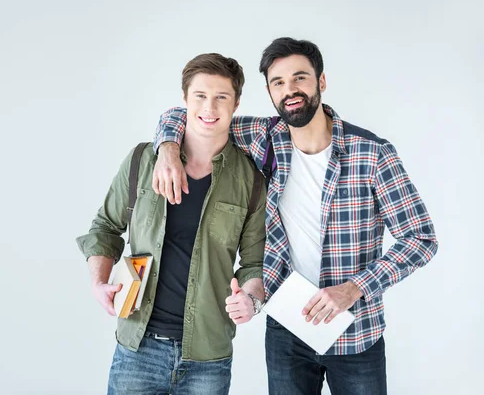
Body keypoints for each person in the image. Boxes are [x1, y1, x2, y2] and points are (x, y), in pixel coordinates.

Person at [151, 37, 439, 395]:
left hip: (356, 335)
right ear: (270, 92)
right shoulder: (263, 136)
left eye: (300, 78)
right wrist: (167, 149)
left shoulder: (373, 154)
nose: (290, 90)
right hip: (287, 332)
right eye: (278, 82)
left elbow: (421, 239)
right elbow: (185, 114)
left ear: (321, 82)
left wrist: (353, 289)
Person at [76, 52, 267, 395]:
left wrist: (250, 301)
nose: (209, 108)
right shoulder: (142, 160)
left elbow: (254, 263)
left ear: (236, 104)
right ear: (184, 101)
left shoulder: (251, 179)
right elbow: (104, 228)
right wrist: (98, 282)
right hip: (138, 348)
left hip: (208, 356)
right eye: (200, 96)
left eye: (221, 97)